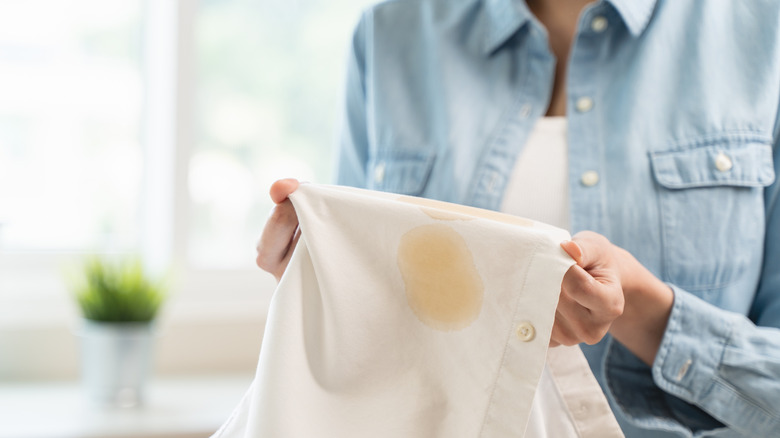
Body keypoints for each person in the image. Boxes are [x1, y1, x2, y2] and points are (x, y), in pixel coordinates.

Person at [255, 0, 780, 436]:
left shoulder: (764, 35)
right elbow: (370, 340)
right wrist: (324, 280)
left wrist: (640, 309)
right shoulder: (392, 31)